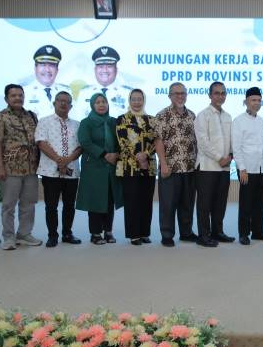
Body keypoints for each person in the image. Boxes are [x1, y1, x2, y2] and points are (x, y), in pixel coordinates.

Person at [0, 84, 42, 250]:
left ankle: (24, 234)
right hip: (10, 168)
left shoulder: (31, 116)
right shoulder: (0, 117)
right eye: (13, 95)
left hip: (31, 168)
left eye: (20, 95)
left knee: (29, 203)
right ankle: (9, 237)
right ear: (6, 98)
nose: (18, 98)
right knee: (8, 205)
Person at [34, 90, 82, 247]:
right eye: (60, 100)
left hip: (72, 171)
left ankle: (67, 233)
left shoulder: (77, 124)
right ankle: (52, 235)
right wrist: (59, 160)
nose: (63, 103)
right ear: (54, 103)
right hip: (50, 171)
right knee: (51, 206)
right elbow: (41, 143)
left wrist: (68, 160)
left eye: (67, 101)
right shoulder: (44, 121)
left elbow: (81, 147)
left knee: (69, 205)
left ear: (71, 106)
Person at [153, 82, 198, 247]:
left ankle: (186, 233)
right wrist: (163, 164)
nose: (180, 96)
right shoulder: (162, 115)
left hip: (190, 167)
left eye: (183, 93)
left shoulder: (192, 115)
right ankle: (167, 235)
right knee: (168, 204)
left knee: (187, 203)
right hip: (170, 168)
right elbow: (158, 141)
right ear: (169, 96)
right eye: (176, 93)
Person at [76, 93, 123, 244]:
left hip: (111, 166)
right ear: (92, 105)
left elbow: (121, 140)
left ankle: (108, 231)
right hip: (94, 167)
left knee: (109, 199)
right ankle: (95, 233)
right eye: (97, 102)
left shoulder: (113, 121)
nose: (101, 104)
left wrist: (117, 154)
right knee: (95, 200)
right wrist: (104, 154)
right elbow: (85, 142)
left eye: (104, 102)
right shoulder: (86, 122)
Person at [231, 87, 263, 245]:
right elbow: (236, 147)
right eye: (253, 100)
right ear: (246, 102)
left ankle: (258, 232)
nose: (256, 103)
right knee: (246, 203)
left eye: (259, 100)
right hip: (247, 169)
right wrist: (241, 168)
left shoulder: (261, 120)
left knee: (260, 203)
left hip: (262, 168)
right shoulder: (238, 121)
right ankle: (243, 233)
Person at [194, 82, 234, 247]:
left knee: (220, 202)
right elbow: (203, 142)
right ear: (210, 95)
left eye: (223, 93)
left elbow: (231, 140)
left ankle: (218, 232)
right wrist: (219, 157)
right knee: (205, 204)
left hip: (224, 167)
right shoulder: (203, 116)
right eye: (217, 93)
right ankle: (204, 235)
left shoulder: (228, 116)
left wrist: (230, 155)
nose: (220, 96)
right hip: (207, 166)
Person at [115, 89, 157, 245]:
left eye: (140, 99)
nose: (137, 102)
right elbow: (122, 141)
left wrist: (146, 154)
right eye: (134, 99)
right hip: (129, 166)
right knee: (132, 201)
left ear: (144, 100)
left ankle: (144, 233)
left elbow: (156, 140)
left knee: (146, 201)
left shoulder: (152, 120)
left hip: (148, 166)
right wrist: (137, 156)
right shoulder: (122, 119)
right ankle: (134, 234)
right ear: (129, 100)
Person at [24, 45, 65, 118]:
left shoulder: (67, 92)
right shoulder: (24, 93)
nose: (47, 70)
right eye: (43, 65)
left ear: (57, 70)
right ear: (35, 68)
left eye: (52, 65)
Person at [85, 47, 128, 113]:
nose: (105, 70)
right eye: (101, 66)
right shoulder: (84, 93)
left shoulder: (127, 94)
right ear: (95, 70)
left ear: (116, 70)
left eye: (109, 66)